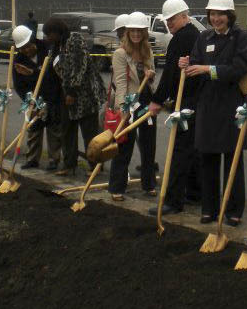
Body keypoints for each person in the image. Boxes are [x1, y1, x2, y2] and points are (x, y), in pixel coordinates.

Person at [179, 0, 247, 226]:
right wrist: (188, 65)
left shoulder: (241, 38)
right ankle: (208, 208)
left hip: (232, 105)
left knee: (233, 160)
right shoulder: (204, 37)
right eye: (212, 14)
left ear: (229, 15)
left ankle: (234, 211)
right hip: (208, 106)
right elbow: (195, 62)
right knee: (207, 159)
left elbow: (239, 67)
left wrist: (207, 70)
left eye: (221, 14)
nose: (216, 18)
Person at [148, 0, 201, 215]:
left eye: (172, 19)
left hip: (187, 101)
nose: (169, 24)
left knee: (179, 151)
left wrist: (157, 100)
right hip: (193, 100)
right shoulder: (194, 34)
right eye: (167, 20)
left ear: (184, 16)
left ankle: (173, 200)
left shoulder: (182, 38)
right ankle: (196, 193)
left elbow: (169, 73)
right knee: (193, 151)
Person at [43, 17, 106, 177]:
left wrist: (71, 91)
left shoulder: (75, 40)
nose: (47, 38)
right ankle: (69, 164)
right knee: (67, 132)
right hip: (65, 96)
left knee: (89, 133)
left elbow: (79, 66)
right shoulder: (57, 46)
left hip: (84, 95)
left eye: (49, 34)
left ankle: (95, 165)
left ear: (57, 32)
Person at [108, 12, 157, 200]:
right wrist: (122, 107)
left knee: (148, 144)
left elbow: (151, 81)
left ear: (144, 32)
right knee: (124, 145)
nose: (136, 34)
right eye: (133, 31)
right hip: (129, 101)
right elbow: (120, 82)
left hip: (145, 101)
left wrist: (150, 76)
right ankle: (117, 187)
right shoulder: (120, 53)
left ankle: (149, 183)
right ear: (127, 32)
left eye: (139, 31)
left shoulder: (147, 51)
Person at [11, 25, 62, 171]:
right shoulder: (18, 60)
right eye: (23, 48)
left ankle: (54, 160)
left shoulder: (47, 49)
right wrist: (31, 102)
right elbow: (19, 86)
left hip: (52, 95)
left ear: (33, 40)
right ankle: (32, 159)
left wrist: (33, 72)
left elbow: (52, 75)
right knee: (33, 129)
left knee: (54, 129)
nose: (26, 50)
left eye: (28, 46)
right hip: (33, 99)